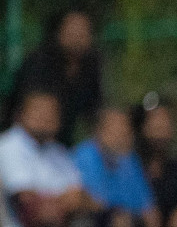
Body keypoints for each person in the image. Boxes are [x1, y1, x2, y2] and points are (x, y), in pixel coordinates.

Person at [0, 88, 91, 227]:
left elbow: (85, 197)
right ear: (20, 114)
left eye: (51, 112)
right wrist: (65, 200)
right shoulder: (7, 146)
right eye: (39, 110)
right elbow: (27, 201)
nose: (45, 117)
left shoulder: (59, 153)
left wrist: (68, 201)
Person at [74, 105, 154, 227]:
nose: (122, 132)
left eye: (125, 127)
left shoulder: (129, 161)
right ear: (99, 130)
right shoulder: (85, 155)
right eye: (115, 127)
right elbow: (92, 202)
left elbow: (149, 213)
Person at [4, 9, 104, 145]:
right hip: (30, 141)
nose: (78, 36)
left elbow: (94, 110)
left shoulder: (91, 66)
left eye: (83, 31)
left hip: (59, 145)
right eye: (72, 30)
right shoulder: (39, 62)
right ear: (59, 31)